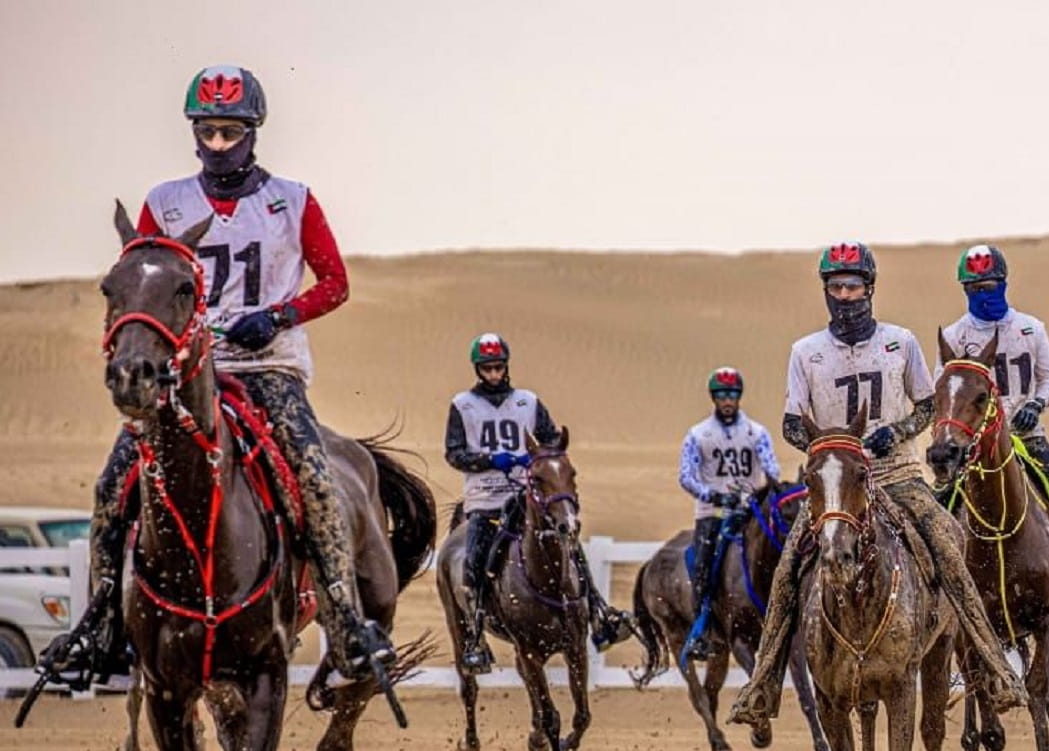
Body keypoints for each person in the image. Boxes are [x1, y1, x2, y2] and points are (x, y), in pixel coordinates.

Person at [44, 64, 391, 685]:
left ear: (254, 131)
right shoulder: (165, 202)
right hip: (186, 374)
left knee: (314, 477)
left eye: (231, 131)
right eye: (207, 131)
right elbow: (138, 288)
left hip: (269, 370)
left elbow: (335, 282)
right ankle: (98, 625)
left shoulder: (294, 199)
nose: (218, 144)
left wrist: (281, 314)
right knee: (111, 486)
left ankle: (343, 618)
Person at [728, 243, 1028, 729]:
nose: (845, 295)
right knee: (787, 573)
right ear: (825, 290)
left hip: (897, 475)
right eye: (835, 286)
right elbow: (789, 424)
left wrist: (900, 430)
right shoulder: (806, 352)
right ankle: (761, 687)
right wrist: (830, 445)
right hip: (837, 485)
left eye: (853, 286)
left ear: (870, 288)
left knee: (950, 547)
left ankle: (996, 671)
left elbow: (930, 406)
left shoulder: (900, 341)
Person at [939, 244, 1049, 618]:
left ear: (1003, 283)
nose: (982, 293)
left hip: (1027, 435)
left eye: (988, 285)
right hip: (974, 444)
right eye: (973, 288)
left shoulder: (1030, 328)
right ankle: (936, 587)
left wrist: (1035, 405)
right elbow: (945, 389)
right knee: (941, 502)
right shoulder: (956, 335)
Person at [443, 333, 635, 671]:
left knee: (568, 547)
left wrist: (538, 461)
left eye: (498, 367)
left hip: (527, 495)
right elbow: (454, 453)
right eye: (487, 368)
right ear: (478, 369)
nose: (493, 374)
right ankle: (474, 638)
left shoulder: (528, 402)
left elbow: (551, 443)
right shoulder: (462, 405)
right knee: (474, 562)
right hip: (485, 499)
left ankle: (599, 614)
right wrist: (490, 460)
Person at [677, 367, 782, 660]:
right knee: (701, 564)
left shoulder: (756, 432)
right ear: (713, 397)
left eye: (732, 395)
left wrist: (754, 493)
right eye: (722, 395)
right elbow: (686, 476)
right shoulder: (698, 434)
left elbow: (772, 469)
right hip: (712, 512)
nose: (727, 400)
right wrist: (712, 494)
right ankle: (703, 630)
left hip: (749, 510)